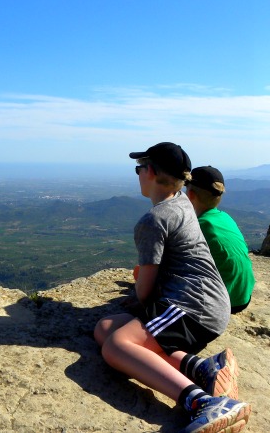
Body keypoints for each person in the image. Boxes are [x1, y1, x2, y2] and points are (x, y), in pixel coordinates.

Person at [94, 142, 251, 433]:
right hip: (205, 301)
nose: (138, 174)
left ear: (150, 171)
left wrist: (141, 292)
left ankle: (204, 403)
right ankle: (202, 368)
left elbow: (143, 292)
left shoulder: (153, 220)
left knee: (117, 346)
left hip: (193, 308)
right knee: (105, 329)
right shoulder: (182, 202)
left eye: (138, 168)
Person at [185, 166, 256, 314]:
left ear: (190, 194)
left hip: (224, 302)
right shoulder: (225, 218)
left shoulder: (199, 226)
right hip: (243, 296)